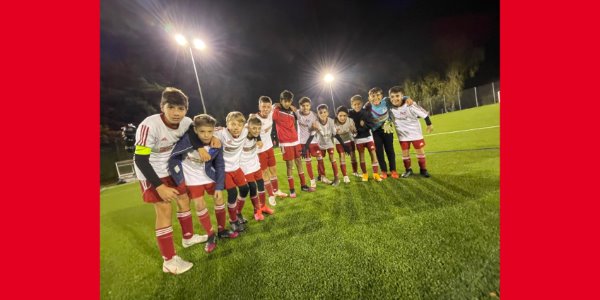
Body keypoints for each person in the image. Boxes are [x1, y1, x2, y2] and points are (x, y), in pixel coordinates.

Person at [133, 87, 217, 274]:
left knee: (184, 199)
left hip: (172, 168)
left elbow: (195, 136)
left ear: (186, 110)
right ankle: (169, 261)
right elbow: (140, 159)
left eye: (181, 108)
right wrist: (159, 186)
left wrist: (207, 144)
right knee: (164, 209)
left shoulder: (187, 122)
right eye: (171, 107)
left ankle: (188, 237)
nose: (176, 113)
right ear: (162, 107)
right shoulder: (149, 125)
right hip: (151, 171)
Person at [168, 114, 239, 254]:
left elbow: (220, 166)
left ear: (214, 131)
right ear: (195, 130)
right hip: (192, 179)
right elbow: (174, 157)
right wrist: (179, 179)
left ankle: (221, 230)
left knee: (219, 199)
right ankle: (210, 235)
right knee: (200, 204)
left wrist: (219, 186)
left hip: (209, 176)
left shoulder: (216, 143)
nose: (206, 135)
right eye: (202, 131)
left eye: (210, 132)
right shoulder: (187, 140)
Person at [212, 111, 253, 233]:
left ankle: (238, 212)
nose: (236, 127)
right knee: (232, 193)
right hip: (224, 170)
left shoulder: (245, 131)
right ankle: (233, 219)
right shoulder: (220, 133)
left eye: (239, 125)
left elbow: (254, 126)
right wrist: (213, 135)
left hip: (236, 168)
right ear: (227, 125)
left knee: (245, 189)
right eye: (233, 124)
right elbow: (205, 130)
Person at [271, 90, 311, 197]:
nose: (287, 103)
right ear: (281, 101)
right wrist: (275, 106)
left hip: (295, 141)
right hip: (285, 143)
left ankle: (303, 185)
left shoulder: (293, 111)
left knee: (299, 162)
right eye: (285, 101)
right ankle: (292, 189)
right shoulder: (277, 111)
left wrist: (296, 111)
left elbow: (303, 119)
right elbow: (271, 116)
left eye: (289, 101)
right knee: (289, 165)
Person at [387, 86, 433, 178]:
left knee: (420, 152)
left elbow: (424, 114)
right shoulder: (390, 107)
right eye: (392, 97)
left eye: (397, 96)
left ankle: (423, 170)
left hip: (415, 134)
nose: (395, 99)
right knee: (405, 153)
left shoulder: (410, 104)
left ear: (402, 96)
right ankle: (408, 170)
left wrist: (429, 124)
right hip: (403, 136)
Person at [238, 115, 275, 221]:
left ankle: (263, 207)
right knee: (252, 188)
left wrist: (258, 136)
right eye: (254, 128)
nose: (256, 130)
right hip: (245, 167)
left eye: (259, 128)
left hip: (255, 165)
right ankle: (256, 211)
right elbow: (246, 126)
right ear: (248, 127)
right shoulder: (242, 134)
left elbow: (256, 132)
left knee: (261, 185)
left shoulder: (256, 135)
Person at [303, 104, 351, 186]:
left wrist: (343, 145)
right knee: (320, 160)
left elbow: (335, 134)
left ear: (328, 113)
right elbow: (311, 136)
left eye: (325, 112)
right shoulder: (316, 123)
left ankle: (336, 178)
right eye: (320, 112)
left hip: (329, 143)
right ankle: (322, 176)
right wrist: (305, 147)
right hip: (320, 144)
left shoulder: (331, 121)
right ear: (318, 114)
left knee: (332, 158)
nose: (323, 114)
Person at [255, 96, 287, 206]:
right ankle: (271, 195)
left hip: (269, 148)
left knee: (273, 170)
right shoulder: (254, 118)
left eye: (268, 107)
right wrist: (258, 139)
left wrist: (287, 106)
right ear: (259, 106)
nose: (266, 109)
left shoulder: (271, 112)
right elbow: (247, 129)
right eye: (263, 106)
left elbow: (277, 104)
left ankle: (276, 190)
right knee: (265, 173)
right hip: (259, 151)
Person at [364, 87, 398, 179]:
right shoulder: (367, 107)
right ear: (369, 98)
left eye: (378, 95)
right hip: (376, 131)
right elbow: (360, 115)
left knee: (390, 149)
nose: (375, 97)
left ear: (382, 96)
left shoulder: (386, 101)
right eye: (373, 96)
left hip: (387, 128)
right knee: (379, 151)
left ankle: (393, 170)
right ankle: (383, 171)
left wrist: (407, 98)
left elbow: (398, 99)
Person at [348, 95, 382, 182]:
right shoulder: (350, 113)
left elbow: (372, 124)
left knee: (373, 154)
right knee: (361, 156)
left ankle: (376, 174)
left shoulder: (366, 112)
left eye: (358, 104)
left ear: (361, 104)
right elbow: (341, 114)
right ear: (351, 105)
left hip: (368, 137)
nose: (357, 106)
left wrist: (363, 126)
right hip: (358, 140)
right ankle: (365, 174)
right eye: (354, 104)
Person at [295, 96, 321, 188]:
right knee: (308, 161)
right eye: (303, 105)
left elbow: (315, 130)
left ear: (310, 106)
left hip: (313, 141)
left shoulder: (314, 115)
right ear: (300, 106)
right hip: (302, 142)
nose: (305, 107)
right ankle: (312, 180)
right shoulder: (297, 113)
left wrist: (316, 128)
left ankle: (321, 176)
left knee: (319, 158)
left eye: (307, 105)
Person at [333, 106, 357, 183]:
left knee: (353, 156)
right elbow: (332, 135)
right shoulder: (333, 122)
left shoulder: (350, 121)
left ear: (347, 115)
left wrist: (353, 130)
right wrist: (334, 133)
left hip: (349, 140)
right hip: (339, 142)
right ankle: (345, 176)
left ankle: (355, 172)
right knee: (342, 157)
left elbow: (355, 133)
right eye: (340, 116)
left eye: (344, 116)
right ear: (337, 115)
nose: (342, 118)